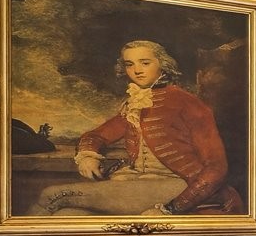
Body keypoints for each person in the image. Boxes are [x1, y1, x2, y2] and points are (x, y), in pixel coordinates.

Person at [75, 39, 242, 214]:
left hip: (178, 185)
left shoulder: (188, 103)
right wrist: (88, 155)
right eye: (129, 64)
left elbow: (216, 168)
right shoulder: (136, 102)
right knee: (69, 214)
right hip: (134, 181)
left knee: (53, 195)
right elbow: (97, 135)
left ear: (163, 64)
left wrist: (170, 208)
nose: (137, 70)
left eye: (145, 63)